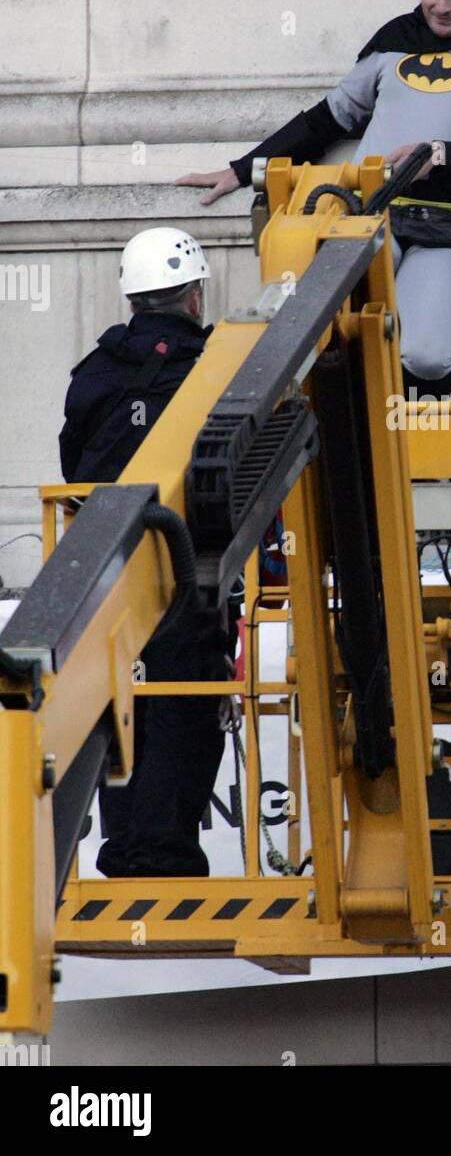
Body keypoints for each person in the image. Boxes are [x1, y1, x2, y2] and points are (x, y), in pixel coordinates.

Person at [176, 0, 451, 398]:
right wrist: (243, 168)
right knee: (332, 324)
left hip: (443, 221)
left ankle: (409, 456)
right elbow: (331, 116)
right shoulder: (395, 39)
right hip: (366, 214)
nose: (441, 6)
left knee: (427, 355)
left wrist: (440, 154)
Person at [59, 227, 229, 878]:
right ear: (192, 296)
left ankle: (121, 848)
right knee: (184, 703)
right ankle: (165, 853)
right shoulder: (215, 367)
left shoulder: (94, 372)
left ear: (131, 300)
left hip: (100, 569)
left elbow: (73, 463)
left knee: (118, 706)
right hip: (186, 570)